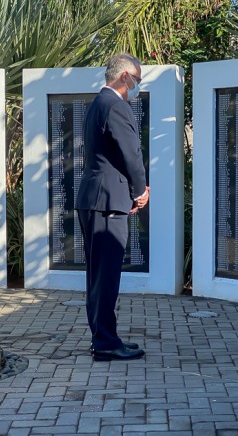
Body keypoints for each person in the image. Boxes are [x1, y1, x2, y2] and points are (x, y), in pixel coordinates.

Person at [75, 53, 150, 361]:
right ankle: (105, 343)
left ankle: (104, 336)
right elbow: (131, 153)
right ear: (124, 77)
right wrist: (139, 190)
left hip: (95, 198)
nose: (137, 86)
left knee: (98, 274)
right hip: (108, 201)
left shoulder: (97, 104)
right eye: (137, 79)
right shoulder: (116, 106)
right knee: (106, 276)